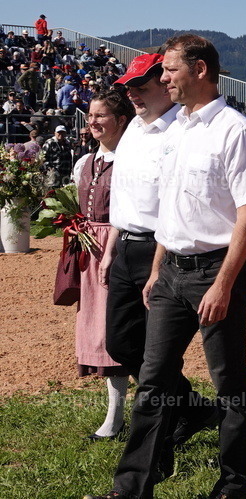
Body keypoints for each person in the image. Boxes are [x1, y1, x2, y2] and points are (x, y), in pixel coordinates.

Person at [86, 34, 246, 499]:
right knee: (152, 381)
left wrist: (224, 283)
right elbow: (169, 210)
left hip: (217, 271)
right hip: (170, 270)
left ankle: (233, 484)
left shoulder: (236, 130)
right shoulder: (178, 129)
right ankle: (132, 488)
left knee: (229, 381)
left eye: (169, 70)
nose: (163, 78)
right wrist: (156, 269)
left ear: (201, 70)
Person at [106, 53, 217, 452]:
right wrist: (110, 247)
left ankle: (170, 418)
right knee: (120, 344)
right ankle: (191, 406)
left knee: (159, 352)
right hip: (125, 247)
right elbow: (124, 194)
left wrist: (158, 259)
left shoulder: (180, 131)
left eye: (140, 86)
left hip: (161, 248)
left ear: (163, 83)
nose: (132, 94)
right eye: (128, 88)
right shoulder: (133, 128)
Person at [65, 89, 134, 440]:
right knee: (99, 330)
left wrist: (111, 248)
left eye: (100, 115)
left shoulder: (131, 160)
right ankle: (116, 415)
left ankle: (169, 407)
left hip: (120, 249)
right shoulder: (86, 162)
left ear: (121, 120)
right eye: (90, 115)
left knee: (119, 332)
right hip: (89, 251)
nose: (92, 121)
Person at [42, 124, 74, 190]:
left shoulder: (67, 143)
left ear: (65, 133)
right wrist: (49, 168)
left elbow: (69, 157)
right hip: (53, 173)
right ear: (55, 133)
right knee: (52, 191)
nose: (61, 134)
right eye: (59, 132)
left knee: (65, 192)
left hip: (65, 172)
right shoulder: (49, 142)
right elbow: (43, 157)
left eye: (63, 133)